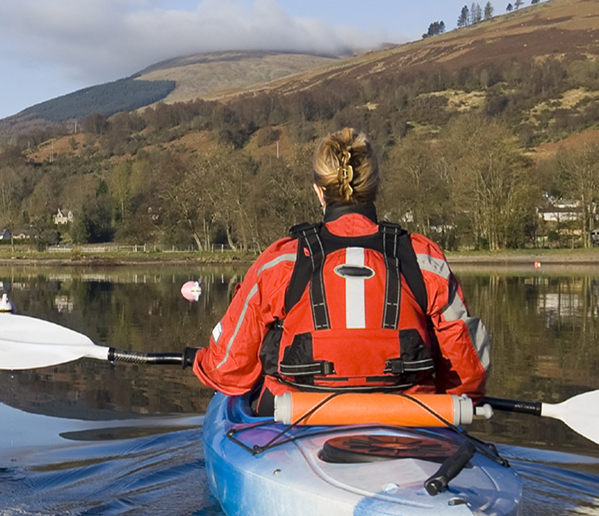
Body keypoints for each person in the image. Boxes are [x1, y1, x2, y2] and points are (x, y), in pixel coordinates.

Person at [193, 128, 490, 407]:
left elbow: (226, 370)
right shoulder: (424, 260)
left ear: (319, 192)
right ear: (376, 187)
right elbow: (467, 378)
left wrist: (200, 361)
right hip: (408, 424)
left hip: (294, 423)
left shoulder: (279, 262)